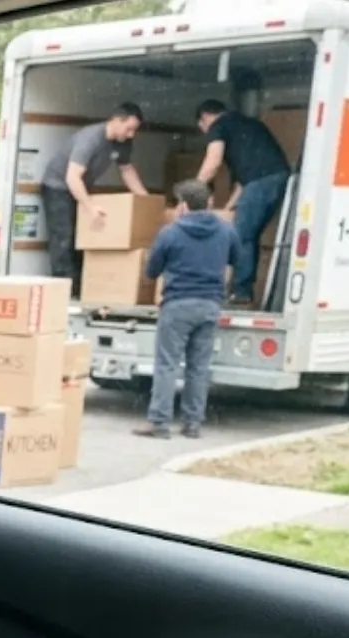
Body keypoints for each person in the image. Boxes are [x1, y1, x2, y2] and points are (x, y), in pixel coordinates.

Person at [136, 180, 241, 440]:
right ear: (209, 203)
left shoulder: (170, 233)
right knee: (199, 367)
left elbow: (151, 271)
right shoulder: (226, 231)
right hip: (210, 305)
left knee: (167, 365)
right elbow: (237, 259)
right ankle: (192, 424)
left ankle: (159, 423)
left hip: (177, 304)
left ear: (182, 206)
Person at [41, 103, 150, 295]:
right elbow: (72, 177)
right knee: (64, 238)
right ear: (117, 120)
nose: (131, 134)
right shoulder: (90, 138)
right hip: (59, 187)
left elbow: (127, 171)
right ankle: (62, 293)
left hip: (81, 187)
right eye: (129, 129)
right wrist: (90, 207)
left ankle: (82, 289)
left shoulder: (123, 142)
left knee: (81, 238)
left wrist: (147, 201)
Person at [195, 99, 291, 307]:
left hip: (262, 181)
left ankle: (241, 293)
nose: (205, 133)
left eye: (202, 128)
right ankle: (241, 290)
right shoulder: (248, 124)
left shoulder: (217, 126)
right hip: (277, 178)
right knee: (249, 233)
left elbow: (213, 162)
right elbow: (243, 181)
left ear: (204, 119)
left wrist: (193, 191)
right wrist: (229, 208)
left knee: (242, 235)